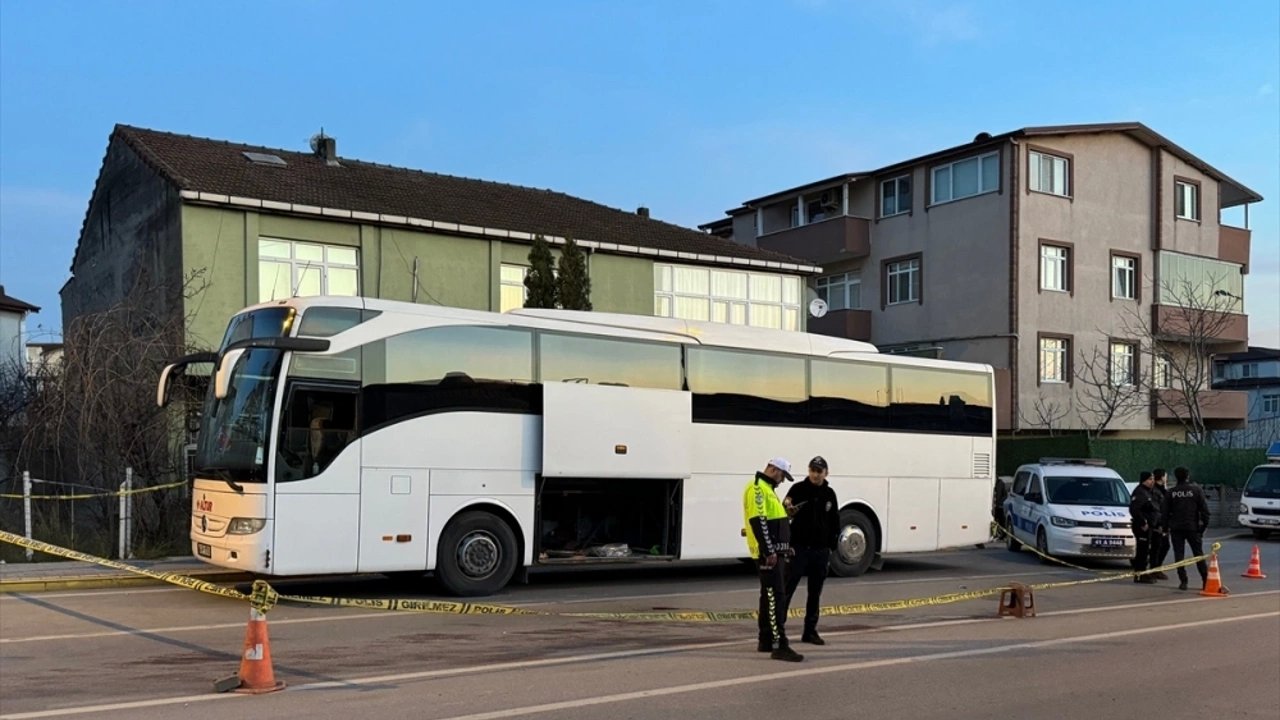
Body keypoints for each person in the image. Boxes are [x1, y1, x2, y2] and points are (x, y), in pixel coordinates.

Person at [743, 457, 802, 662]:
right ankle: (780, 645)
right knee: (775, 598)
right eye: (782, 476)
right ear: (773, 469)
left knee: (769, 596)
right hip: (767, 556)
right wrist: (769, 552)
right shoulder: (758, 488)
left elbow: (774, 524)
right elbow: (758, 522)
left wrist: (785, 547)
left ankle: (766, 640)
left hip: (775, 554)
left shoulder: (768, 490)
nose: (782, 481)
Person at [783, 456, 841, 645]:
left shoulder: (829, 494)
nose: (815, 475)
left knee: (815, 593)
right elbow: (784, 512)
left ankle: (810, 631)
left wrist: (831, 545)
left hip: (820, 551)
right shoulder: (798, 489)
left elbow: (834, 521)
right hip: (799, 548)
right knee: (787, 589)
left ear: (826, 473)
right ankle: (779, 631)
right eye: (812, 470)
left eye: (819, 471)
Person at [1167, 466, 1212, 591]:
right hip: (1193, 528)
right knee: (1198, 555)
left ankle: (1183, 581)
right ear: (1188, 476)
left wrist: (1165, 527)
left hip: (1176, 528)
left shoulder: (1171, 492)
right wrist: (1203, 528)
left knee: (1179, 556)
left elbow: (1164, 512)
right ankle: (1205, 580)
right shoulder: (1196, 491)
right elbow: (1205, 511)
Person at [1129, 471, 1160, 584]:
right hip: (1142, 527)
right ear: (1144, 480)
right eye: (1150, 479)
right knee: (1142, 551)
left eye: (1152, 479)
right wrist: (1143, 522)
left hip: (1150, 526)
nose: (1152, 481)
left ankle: (1143, 573)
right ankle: (1140, 574)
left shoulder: (1149, 492)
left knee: (1145, 550)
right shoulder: (1140, 492)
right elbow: (1134, 510)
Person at [1149, 468, 1172, 580]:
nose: (1166, 479)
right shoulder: (1154, 491)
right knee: (1157, 547)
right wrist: (1159, 524)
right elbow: (1156, 509)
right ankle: (1154, 569)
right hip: (1158, 524)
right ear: (1162, 477)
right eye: (1165, 476)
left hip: (1164, 523)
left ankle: (1157, 568)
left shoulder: (1163, 490)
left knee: (1164, 546)